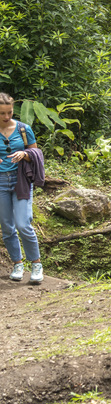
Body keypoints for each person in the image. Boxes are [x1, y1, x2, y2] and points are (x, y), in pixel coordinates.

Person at [0, 93, 42, 284]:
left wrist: (23, 154)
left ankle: (36, 264)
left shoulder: (24, 129)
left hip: (21, 181)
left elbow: (35, 153)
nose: (7, 117)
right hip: (0, 183)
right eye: (2, 114)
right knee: (7, 227)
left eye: (9, 112)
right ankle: (18, 264)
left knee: (23, 224)